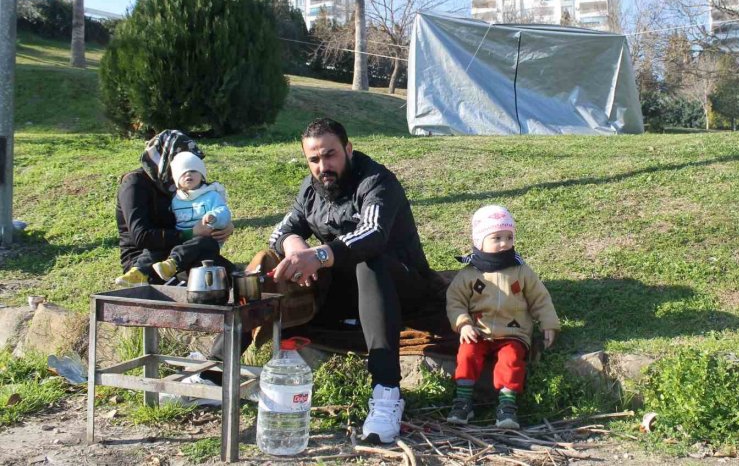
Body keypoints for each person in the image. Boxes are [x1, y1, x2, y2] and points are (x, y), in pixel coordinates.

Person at [267, 118, 446, 444]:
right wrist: (295, 248)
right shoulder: (310, 189)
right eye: (314, 159)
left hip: (403, 284)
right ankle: (213, 370)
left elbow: (373, 235)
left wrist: (319, 256)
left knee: (368, 261)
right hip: (347, 292)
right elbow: (280, 231)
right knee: (269, 265)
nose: (324, 166)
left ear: (348, 149)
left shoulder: (377, 181)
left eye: (331, 155)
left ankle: (387, 392)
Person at [445, 205, 560, 429]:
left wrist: (548, 323)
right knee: (467, 354)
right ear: (480, 241)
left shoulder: (520, 271)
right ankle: (463, 402)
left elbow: (540, 298)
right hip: (478, 330)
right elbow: (455, 301)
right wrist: (463, 324)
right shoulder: (470, 273)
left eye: (509, 237)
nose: (504, 243)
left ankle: (507, 406)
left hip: (513, 332)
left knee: (511, 360)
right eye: (496, 237)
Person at [115, 130, 235, 287]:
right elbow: (141, 236)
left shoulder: (175, 185)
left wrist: (226, 225)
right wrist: (190, 233)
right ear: (167, 159)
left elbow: (204, 207)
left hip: (182, 251)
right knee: (205, 283)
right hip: (145, 260)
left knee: (228, 275)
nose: (187, 173)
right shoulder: (134, 184)